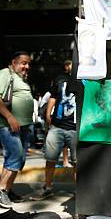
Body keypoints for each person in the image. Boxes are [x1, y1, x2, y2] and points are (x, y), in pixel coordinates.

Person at [0, 51, 34, 208]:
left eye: (28, 63)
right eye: (23, 63)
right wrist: (10, 117)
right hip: (6, 124)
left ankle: (7, 189)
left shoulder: (19, 78)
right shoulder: (4, 74)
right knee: (16, 154)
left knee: (18, 158)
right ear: (14, 62)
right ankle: (1, 189)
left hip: (21, 126)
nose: (26, 66)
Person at [32, 70, 80, 200]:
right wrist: (48, 114)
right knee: (50, 159)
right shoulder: (60, 79)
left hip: (75, 128)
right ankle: (47, 188)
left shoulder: (84, 81)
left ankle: (79, 191)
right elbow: (53, 96)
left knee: (77, 161)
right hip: (57, 125)